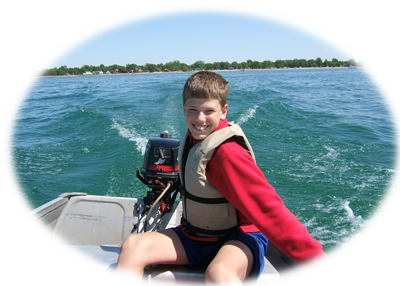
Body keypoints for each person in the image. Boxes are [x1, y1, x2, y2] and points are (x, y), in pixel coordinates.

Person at [112, 71, 332, 286]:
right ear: (184, 109)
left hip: (238, 240)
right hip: (194, 238)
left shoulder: (229, 156)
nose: (200, 118)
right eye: (193, 110)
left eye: (209, 111)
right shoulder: (192, 140)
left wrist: (317, 261)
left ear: (223, 111)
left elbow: (270, 210)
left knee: (218, 274)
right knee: (133, 247)